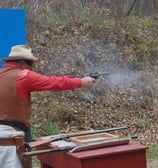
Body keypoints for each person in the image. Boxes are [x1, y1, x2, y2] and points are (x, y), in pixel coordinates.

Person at [0, 45, 95, 168]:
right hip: (8, 142)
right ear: (22, 62)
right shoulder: (23, 76)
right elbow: (53, 82)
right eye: (30, 64)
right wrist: (80, 82)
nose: (31, 68)